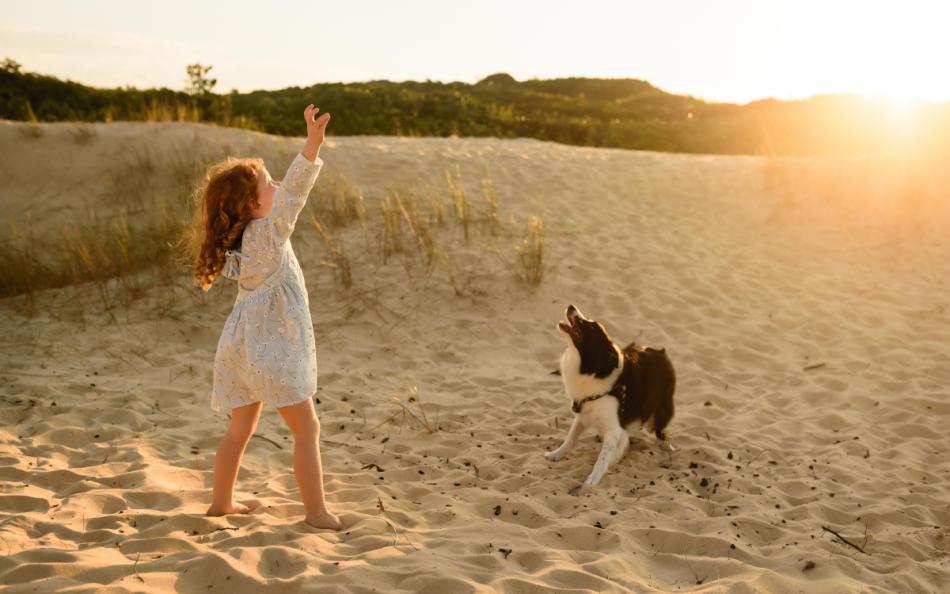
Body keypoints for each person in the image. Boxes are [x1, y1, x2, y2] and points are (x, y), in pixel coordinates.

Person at [192, 104, 341, 530]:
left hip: (238, 349)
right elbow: (294, 192)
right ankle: (315, 512)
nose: (276, 184)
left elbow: (284, 192)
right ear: (254, 204)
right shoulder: (270, 233)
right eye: (267, 182)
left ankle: (221, 504)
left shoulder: (238, 242)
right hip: (271, 351)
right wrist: (312, 145)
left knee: (239, 429)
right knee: (307, 429)